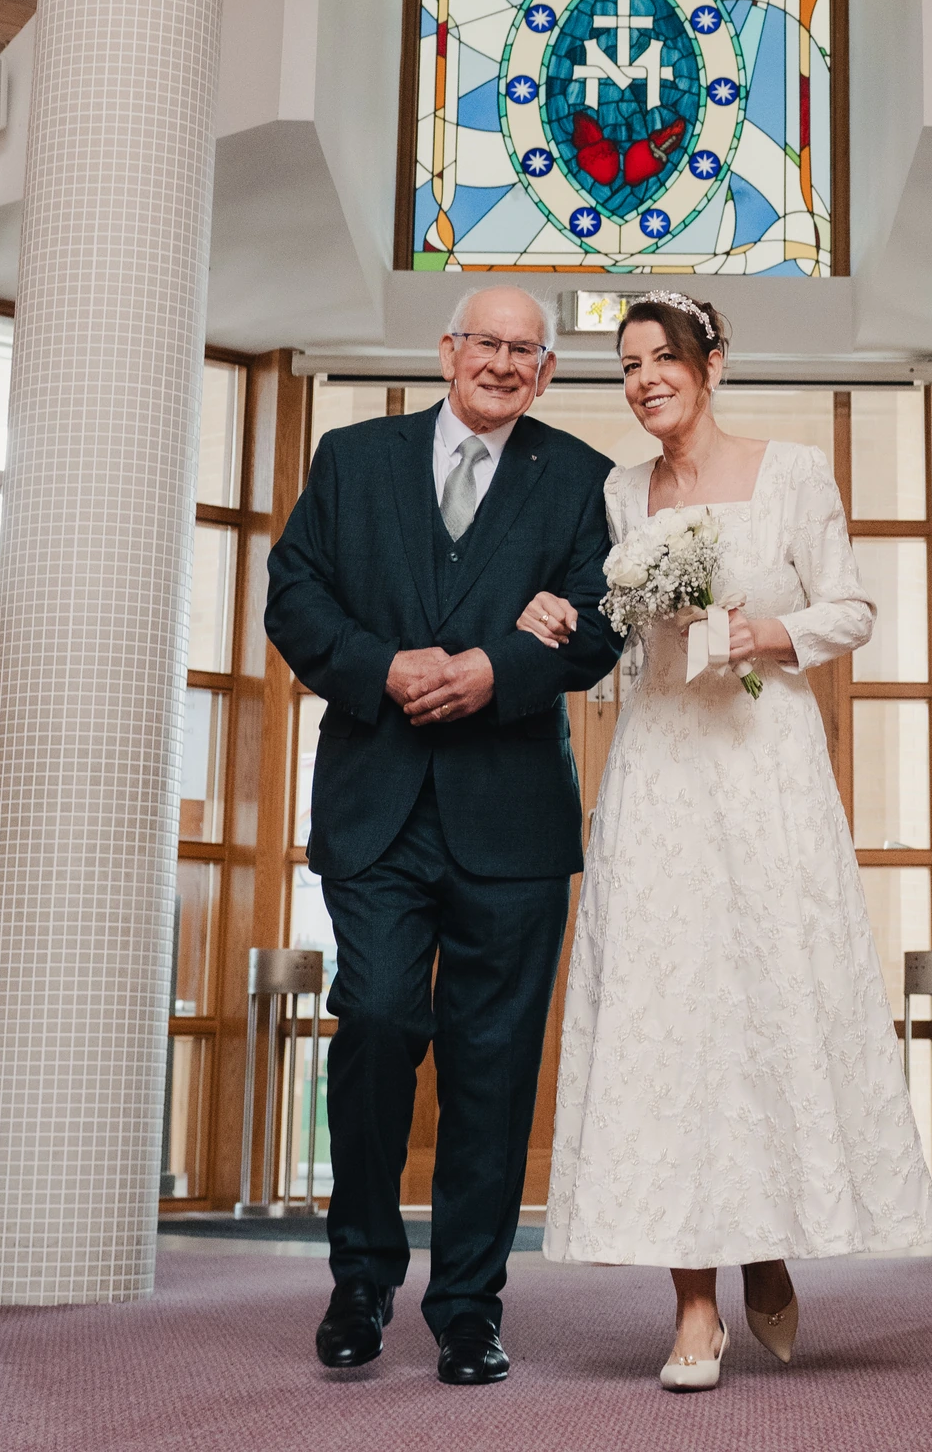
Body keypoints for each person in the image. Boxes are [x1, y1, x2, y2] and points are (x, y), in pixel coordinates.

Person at [520, 291, 932, 1392]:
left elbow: (850, 609)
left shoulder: (792, 472)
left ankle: (766, 1241)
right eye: (626, 365)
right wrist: (558, 618)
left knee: (761, 1001)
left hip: (763, 767)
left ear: (712, 365)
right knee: (668, 1017)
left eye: (663, 357)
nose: (644, 377)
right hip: (659, 768)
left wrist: (769, 629)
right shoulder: (616, 492)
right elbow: (604, 623)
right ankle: (693, 1303)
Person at [265, 285, 624, 1386]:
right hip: (376, 806)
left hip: (512, 817)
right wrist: (383, 667)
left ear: (549, 370)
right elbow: (294, 595)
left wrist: (493, 670)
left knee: (494, 1064)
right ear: (447, 351)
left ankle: (469, 1303)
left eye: (527, 350)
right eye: (487, 344)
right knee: (373, 1017)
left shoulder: (579, 481)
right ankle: (362, 1276)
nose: (503, 364)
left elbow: (599, 622)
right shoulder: (351, 458)